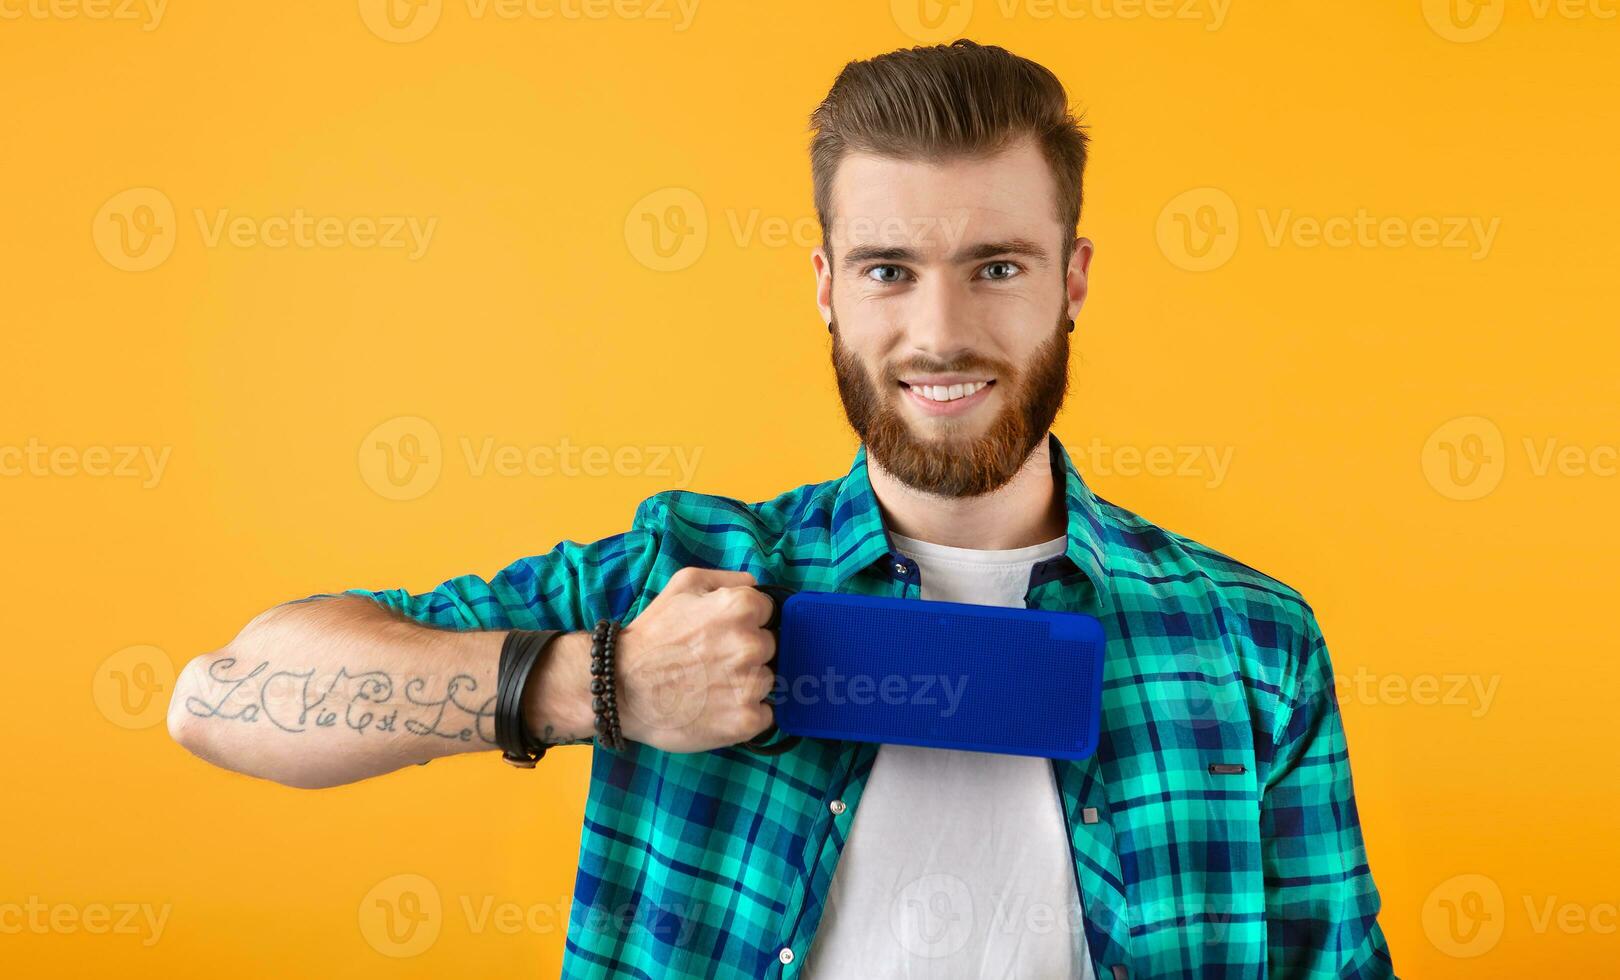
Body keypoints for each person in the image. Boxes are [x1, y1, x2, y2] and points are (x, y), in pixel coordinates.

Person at [168, 39, 1396, 980]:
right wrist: (600, 683)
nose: (940, 332)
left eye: (999, 266)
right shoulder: (683, 578)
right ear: (825, 286)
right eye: (887, 270)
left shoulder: (1250, 642)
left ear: (1074, 279)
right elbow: (221, 695)